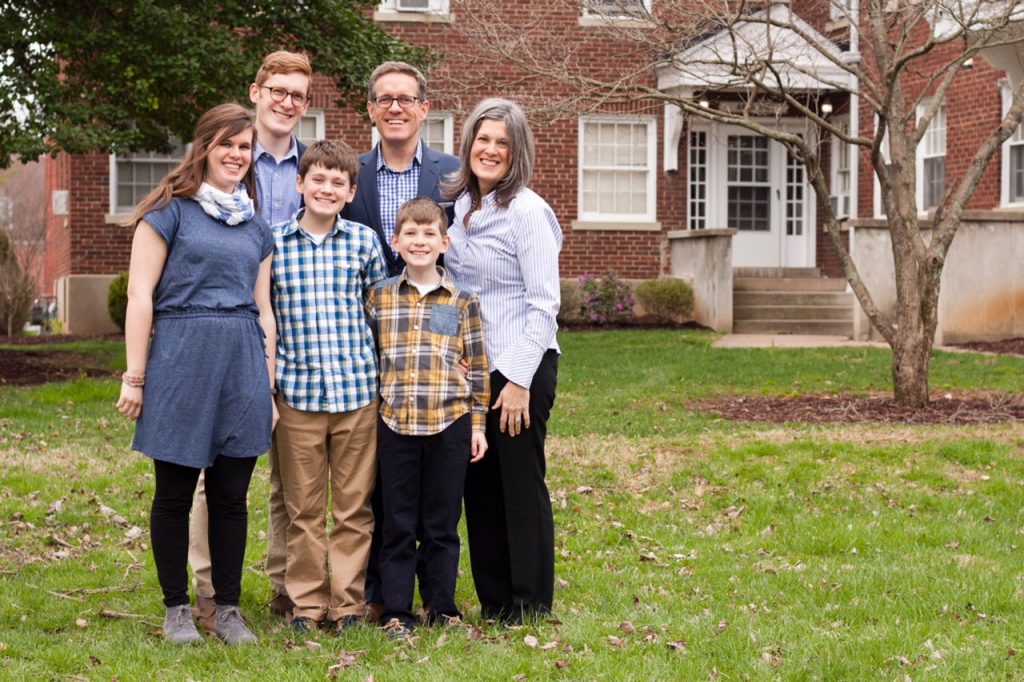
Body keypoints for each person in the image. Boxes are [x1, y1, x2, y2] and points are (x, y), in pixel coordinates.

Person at [115, 102, 276, 645]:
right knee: (175, 494)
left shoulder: (256, 223)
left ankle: (226, 609)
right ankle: (176, 608)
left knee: (232, 495)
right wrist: (135, 376)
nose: (237, 154)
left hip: (242, 365)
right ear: (204, 146)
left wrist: (269, 384)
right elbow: (140, 297)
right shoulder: (169, 210)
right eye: (227, 143)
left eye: (245, 146)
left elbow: (264, 308)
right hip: (182, 359)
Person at [188, 50, 312, 629]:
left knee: (291, 474)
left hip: (302, 330)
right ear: (257, 91)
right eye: (277, 90)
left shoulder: (314, 166)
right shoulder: (230, 157)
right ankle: (210, 592)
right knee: (218, 472)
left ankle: (286, 588)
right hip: (233, 325)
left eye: (298, 94)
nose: (287, 101)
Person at [341, 60, 460, 622]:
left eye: (405, 99)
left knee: (435, 500)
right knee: (378, 482)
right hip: (372, 335)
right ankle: (379, 595)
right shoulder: (352, 173)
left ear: (423, 108)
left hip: (435, 331)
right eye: (384, 98)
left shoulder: (451, 174)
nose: (394, 107)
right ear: (370, 109)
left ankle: (435, 598)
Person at [442, 98, 562, 624]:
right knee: (479, 488)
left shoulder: (528, 212)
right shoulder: (460, 212)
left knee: (518, 485)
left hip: (519, 366)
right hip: (471, 369)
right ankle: (494, 603)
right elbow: (459, 294)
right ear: (468, 146)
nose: (489, 150)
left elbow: (544, 303)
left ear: (517, 154)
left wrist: (517, 381)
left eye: (502, 143)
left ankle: (529, 604)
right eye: (482, 140)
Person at [273, 139, 388, 633]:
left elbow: (380, 313)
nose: (326, 188)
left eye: (337, 182)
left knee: (353, 508)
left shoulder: (363, 242)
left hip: (357, 393)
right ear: (300, 184)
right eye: (317, 179)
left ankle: (346, 605)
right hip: (297, 394)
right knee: (302, 508)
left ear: (350, 191)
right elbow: (267, 316)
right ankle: (305, 604)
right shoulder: (274, 243)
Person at [366, 197, 490, 638]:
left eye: (429, 234)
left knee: (441, 523)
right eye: (411, 234)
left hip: (449, 423)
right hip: (395, 422)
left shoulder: (460, 301)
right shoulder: (379, 296)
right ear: (395, 241)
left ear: (444, 241)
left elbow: (475, 365)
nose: (420, 242)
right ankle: (396, 610)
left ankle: (442, 605)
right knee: (397, 521)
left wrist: (477, 426)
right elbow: (369, 356)